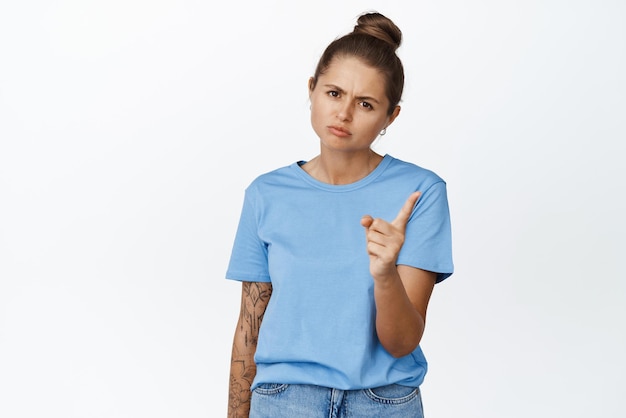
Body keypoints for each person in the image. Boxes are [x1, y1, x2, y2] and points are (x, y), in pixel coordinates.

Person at [226, 11, 454, 418]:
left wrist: (385, 274)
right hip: (282, 400)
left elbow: (401, 343)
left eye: (366, 103)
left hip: (384, 402)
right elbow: (249, 329)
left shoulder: (420, 194)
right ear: (312, 90)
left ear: (391, 116)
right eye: (334, 93)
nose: (344, 114)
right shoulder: (266, 194)